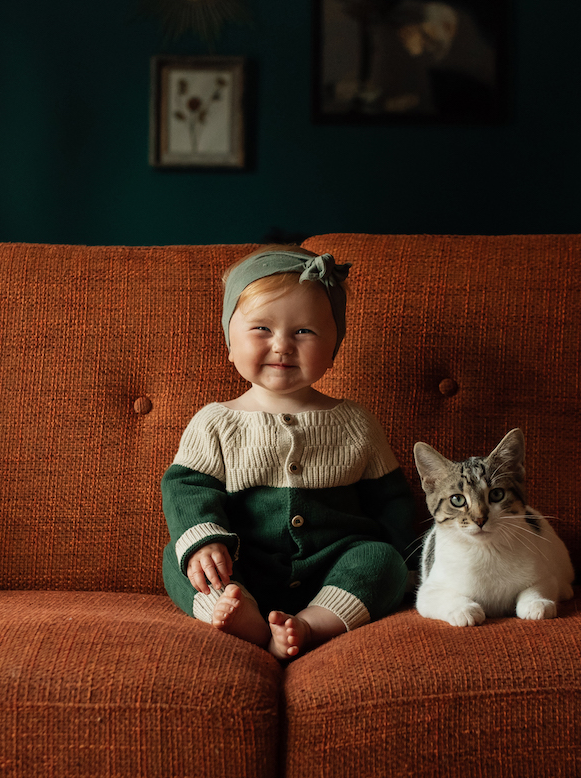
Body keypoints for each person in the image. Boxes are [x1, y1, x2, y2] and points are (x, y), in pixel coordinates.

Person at [161, 247, 414, 660]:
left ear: (333, 346)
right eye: (262, 328)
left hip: (334, 570)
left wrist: (408, 564)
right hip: (243, 565)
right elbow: (185, 486)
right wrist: (204, 543)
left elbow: (393, 502)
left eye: (304, 332)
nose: (282, 345)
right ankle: (236, 613)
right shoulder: (215, 421)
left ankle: (312, 624)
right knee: (180, 559)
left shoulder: (356, 422)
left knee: (384, 561)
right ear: (229, 342)